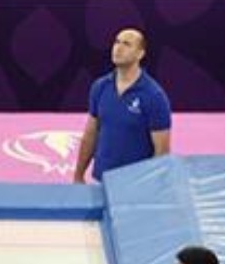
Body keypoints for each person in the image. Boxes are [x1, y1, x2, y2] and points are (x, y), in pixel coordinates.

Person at [73, 28, 171, 183]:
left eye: (127, 44)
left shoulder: (154, 96)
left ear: (140, 54)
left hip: (135, 185)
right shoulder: (100, 87)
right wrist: (78, 174)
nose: (118, 48)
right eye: (116, 42)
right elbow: (91, 135)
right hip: (101, 180)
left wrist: (152, 188)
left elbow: (162, 152)